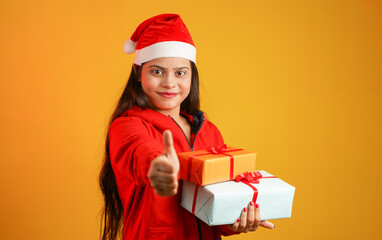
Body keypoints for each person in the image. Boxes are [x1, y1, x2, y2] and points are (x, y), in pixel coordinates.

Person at [99, 13, 275, 240]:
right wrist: (157, 166)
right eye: (157, 71)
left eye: (180, 72)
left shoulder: (209, 132)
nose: (169, 82)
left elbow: (215, 210)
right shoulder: (126, 126)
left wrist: (236, 222)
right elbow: (139, 151)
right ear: (138, 73)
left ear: (191, 76)